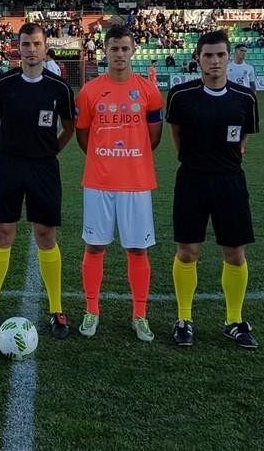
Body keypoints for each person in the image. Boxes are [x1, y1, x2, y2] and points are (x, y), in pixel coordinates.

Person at [0, 23, 76, 339]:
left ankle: (56, 309)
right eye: (25, 44)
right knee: (3, 231)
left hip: (44, 168)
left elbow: (69, 127)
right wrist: (8, 146)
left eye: (36, 43)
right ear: (18, 48)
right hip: (8, 165)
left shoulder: (59, 88)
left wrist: (49, 152)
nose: (31, 49)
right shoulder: (3, 84)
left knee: (46, 234)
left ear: (46, 48)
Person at [166, 29, 260, 349]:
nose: (215, 61)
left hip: (230, 181)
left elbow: (244, 137)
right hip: (191, 179)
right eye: (208, 55)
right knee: (187, 252)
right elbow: (176, 135)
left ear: (227, 57)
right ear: (199, 58)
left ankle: (233, 320)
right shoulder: (181, 96)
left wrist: (228, 159)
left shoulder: (245, 98)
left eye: (220, 54)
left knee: (235, 254)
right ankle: (184, 318)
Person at [74, 25, 164, 341]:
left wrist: (131, 157)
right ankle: (91, 310)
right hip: (98, 181)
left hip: (137, 182)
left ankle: (140, 315)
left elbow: (153, 137)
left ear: (133, 50)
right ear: (106, 51)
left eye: (125, 48)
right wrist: (105, 156)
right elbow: (83, 135)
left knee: (138, 249)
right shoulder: (88, 91)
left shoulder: (149, 92)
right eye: (114, 48)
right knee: (95, 245)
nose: (120, 54)